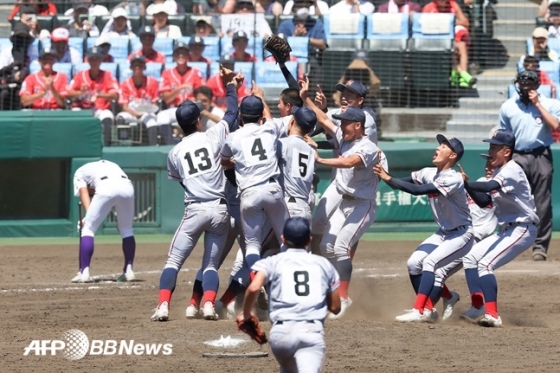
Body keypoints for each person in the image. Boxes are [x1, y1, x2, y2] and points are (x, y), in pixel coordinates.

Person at [150, 67, 243, 321]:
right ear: (198, 121)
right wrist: (231, 86)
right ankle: (209, 305)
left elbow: (180, 182)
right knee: (211, 265)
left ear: (180, 126)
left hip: (195, 208)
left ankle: (163, 307)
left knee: (173, 262)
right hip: (220, 209)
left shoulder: (174, 152)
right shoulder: (212, 136)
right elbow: (233, 114)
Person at [300, 77, 380, 319]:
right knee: (326, 245)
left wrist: (321, 158)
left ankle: (343, 298)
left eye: (346, 122)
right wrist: (305, 98)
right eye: (342, 122)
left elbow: (349, 161)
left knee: (342, 246)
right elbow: (324, 119)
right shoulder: (347, 133)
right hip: (343, 195)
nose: (342, 124)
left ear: (358, 125)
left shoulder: (367, 142)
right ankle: (329, 288)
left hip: (361, 202)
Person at [373, 134, 474, 323]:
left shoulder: (452, 178)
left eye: (444, 146)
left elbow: (418, 190)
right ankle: (429, 308)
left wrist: (388, 177)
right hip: (443, 233)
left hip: (462, 234)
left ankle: (419, 310)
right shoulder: (429, 172)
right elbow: (406, 182)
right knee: (414, 263)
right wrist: (384, 179)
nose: (438, 148)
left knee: (430, 263)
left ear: (453, 156)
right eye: (439, 144)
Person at [239, 217, 341, 372]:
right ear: (309, 240)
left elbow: (253, 288)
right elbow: (335, 307)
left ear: (283, 239)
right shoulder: (323, 264)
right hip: (310, 332)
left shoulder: (272, 262)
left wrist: (246, 315)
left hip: (281, 335)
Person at [460, 130, 539, 327]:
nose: (491, 151)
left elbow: (488, 187)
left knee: (486, 264)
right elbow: (486, 201)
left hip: (523, 228)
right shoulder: (498, 172)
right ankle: (478, 306)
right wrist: (467, 186)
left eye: (494, 147)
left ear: (506, 151)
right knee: (470, 257)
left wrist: (466, 183)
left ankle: (493, 315)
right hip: (507, 230)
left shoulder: (512, 169)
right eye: (490, 147)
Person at [220, 94, 291, 271]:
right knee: (286, 238)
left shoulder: (233, 137)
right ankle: (284, 278)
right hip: (272, 188)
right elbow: (279, 118)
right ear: (261, 116)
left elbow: (224, 160)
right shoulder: (270, 128)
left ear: (241, 116)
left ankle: (256, 279)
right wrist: (261, 97)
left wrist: (233, 164)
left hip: (249, 192)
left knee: (252, 244)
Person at [498, 69, 559, 261]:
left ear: (537, 86)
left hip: (540, 154)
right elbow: (503, 135)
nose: (524, 87)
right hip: (516, 156)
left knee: (542, 202)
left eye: (529, 84)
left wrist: (537, 104)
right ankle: (507, 241)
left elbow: (555, 125)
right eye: (521, 84)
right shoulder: (508, 106)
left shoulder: (550, 103)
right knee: (509, 198)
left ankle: (539, 247)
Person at [72, 160, 136, 283]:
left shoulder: (79, 172)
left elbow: (83, 191)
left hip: (106, 186)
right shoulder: (110, 165)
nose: (93, 194)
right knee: (127, 229)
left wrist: (87, 217)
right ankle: (129, 271)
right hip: (127, 186)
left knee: (88, 229)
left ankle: (84, 272)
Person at [67, 47, 119, 146]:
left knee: (108, 115)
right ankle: (75, 145)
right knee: (74, 114)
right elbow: (68, 93)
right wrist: (80, 92)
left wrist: (100, 95)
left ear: (101, 60)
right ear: (88, 60)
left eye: (97, 59)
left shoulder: (108, 75)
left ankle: (105, 146)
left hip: (100, 109)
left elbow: (115, 95)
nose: (94, 62)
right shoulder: (80, 75)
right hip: (82, 109)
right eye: (92, 59)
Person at [156, 42, 205, 145]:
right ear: (174, 56)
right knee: (161, 116)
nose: (181, 56)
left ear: (188, 55)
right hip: (174, 108)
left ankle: (198, 144)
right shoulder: (167, 73)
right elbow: (166, 99)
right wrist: (179, 89)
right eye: (178, 53)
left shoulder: (196, 72)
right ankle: (170, 145)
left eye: (184, 53)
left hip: (192, 108)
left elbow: (202, 95)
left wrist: (195, 101)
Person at [423, 0, 475, 88]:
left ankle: (462, 79)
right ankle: (463, 74)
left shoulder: (453, 5)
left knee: (461, 46)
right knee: (450, 47)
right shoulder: (428, 8)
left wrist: (449, 23)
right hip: (435, 40)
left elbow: (465, 22)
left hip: (452, 37)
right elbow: (422, 26)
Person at [278, 108, 317, 223]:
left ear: (292, 121)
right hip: (305, 207)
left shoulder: (283, 144)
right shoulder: (311, 150)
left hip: (288, 207)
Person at [116, 55, 160, 140]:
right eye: (134, 65)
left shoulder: (153, 82)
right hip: (130, 112)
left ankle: (153, 148)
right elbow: (124, 107)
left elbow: (155, 104)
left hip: (147, 112)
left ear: (144, 67)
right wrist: (135, 114)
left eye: (140, 65)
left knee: (152, 122)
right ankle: (122, 146)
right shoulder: (124, 84)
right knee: (120, 117)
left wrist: (145, 112)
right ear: (131, 67)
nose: (137, 67)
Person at [0, 23, 34, 110]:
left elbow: (35, 69)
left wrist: (25, 71)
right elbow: (1, 71)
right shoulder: (6, 52)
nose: (21, 41)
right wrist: (11, 69)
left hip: (27, 82)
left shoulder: (32, 50)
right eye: (18, 38)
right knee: (5, 94)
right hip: (8, 82)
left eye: (24, 38)